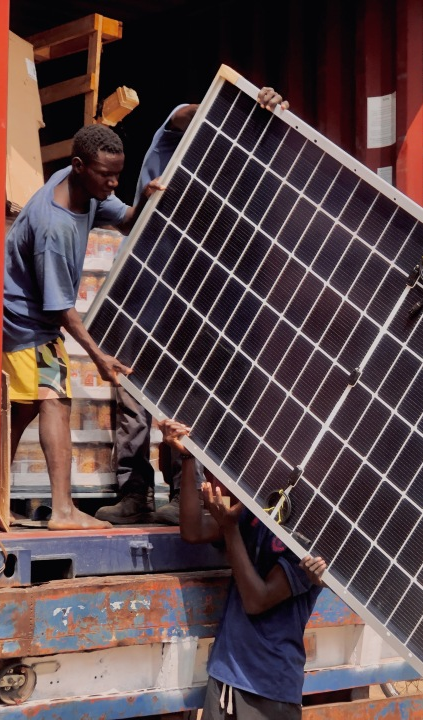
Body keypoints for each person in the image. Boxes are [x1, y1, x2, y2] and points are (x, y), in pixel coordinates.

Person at [97, 87, 289, 526]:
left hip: (183, 307)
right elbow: (184, 114)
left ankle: (179, 494)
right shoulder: (170, 144)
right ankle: (133, 495)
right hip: (141, 299)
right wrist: (237, 103)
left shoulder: (214, 185)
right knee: (132, 401)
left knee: (180, 402)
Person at [3, 123, 163, 530]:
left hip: (31, 322)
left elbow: (126, 221)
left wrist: (144, 200)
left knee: (23, 412)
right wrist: (100, 357)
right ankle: (61, 510)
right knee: (54, 403)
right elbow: (60, 308)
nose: (113, 183)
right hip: (26, 323)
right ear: (78, 166)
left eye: (118, 175)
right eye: (105, 175)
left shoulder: (84, 189)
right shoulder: (53, 228)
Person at [160, 418, 326, 720]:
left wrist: (229, 529)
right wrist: (188, 459)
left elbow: (257, 600)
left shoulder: (312, 544)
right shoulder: (258, 513)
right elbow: (193, 530)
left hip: (268, 689)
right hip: (226, 678)